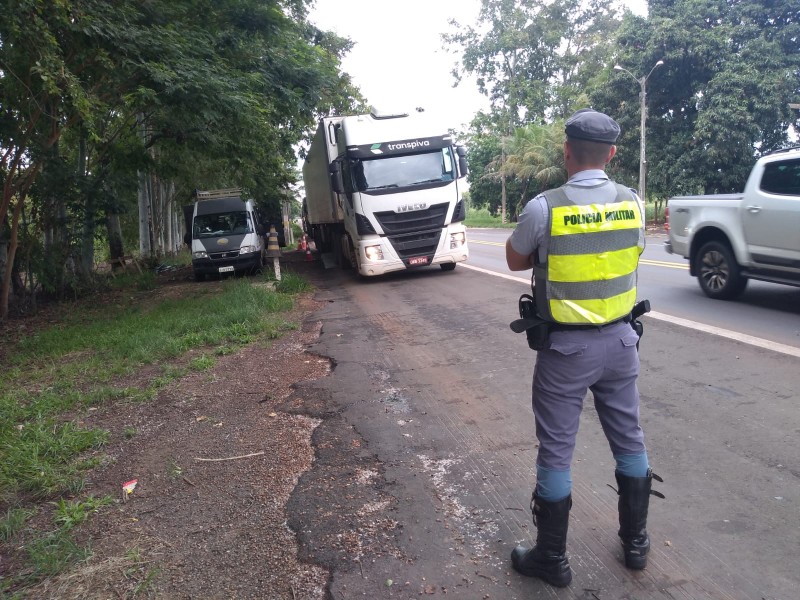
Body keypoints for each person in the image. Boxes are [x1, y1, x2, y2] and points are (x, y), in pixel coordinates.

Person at [505, 108, 662, 588]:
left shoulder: (544, 207)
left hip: (566, 353)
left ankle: (552, 559)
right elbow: (629, 252)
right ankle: (635, 544)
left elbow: (514, 260)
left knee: (556, 449)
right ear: (613, 154)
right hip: (621, 343)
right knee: (629, 438)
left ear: (567, 151)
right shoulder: (633, 203)